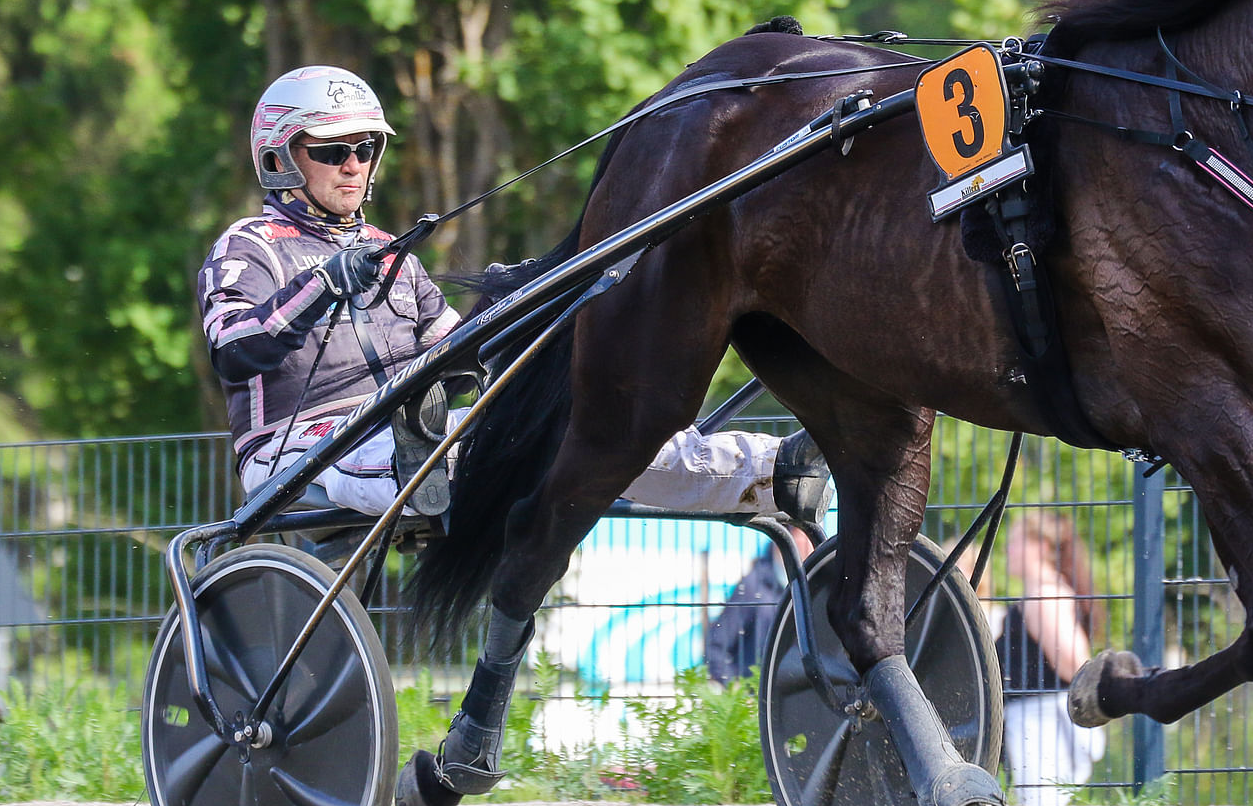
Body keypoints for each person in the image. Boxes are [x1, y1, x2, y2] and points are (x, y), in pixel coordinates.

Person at [197, 64, 829, 559]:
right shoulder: (248, 245)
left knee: (582, 424)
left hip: (412, 428)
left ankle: (772, 471)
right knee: (461, 440)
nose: (355, 165)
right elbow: (233, 346)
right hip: (298, 448)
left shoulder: (389, 256)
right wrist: (323, 285)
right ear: (280, 158)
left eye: (364, 148)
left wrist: (513, 308)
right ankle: (455, 460)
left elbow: (453, 353)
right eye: (333, 151)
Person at [995, 510, 1107, 806]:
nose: (1008, 549)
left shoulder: (1046, 597)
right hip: (1033, 719)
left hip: (1043, 722)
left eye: (1016, 541)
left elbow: (1075, 665)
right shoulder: (1037, 595)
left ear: (1041, 547)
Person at [704, 526, 814, 684]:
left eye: (810, 537)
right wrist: (735, 689)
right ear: (782, 540)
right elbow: (716, 646)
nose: (808, 545)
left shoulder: (813, 591)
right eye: (802, 536)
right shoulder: (752, 587)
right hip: (753, 698)